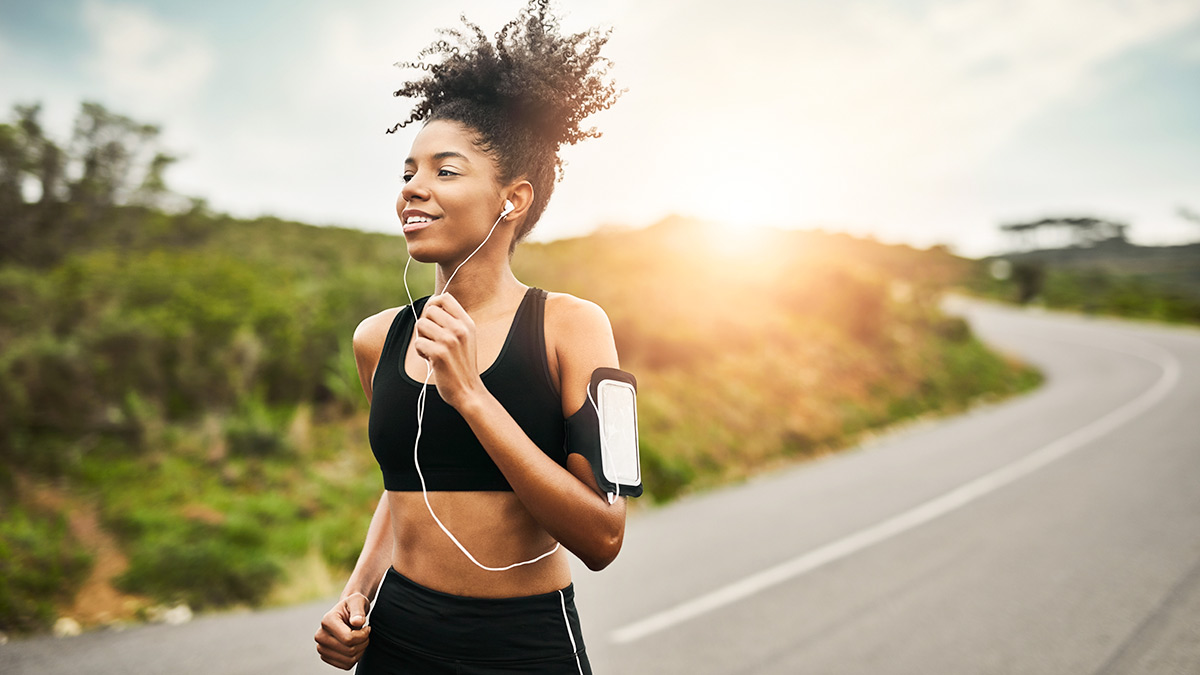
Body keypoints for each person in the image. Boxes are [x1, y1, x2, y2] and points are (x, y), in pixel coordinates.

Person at [313, 2, 629, 672]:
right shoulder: (378, 339)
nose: (412, 191)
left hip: (522, 643)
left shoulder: (574, 326)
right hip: (396, 637)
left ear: (511, 199)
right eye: (408, 172)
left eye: (443, 171)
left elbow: (604, 535)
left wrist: (472, 395)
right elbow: (408, 483)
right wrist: (358, 592)